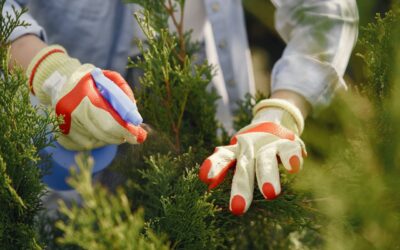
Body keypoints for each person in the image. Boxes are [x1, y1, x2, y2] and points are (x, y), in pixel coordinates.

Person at [4, 0, 359, 215]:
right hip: (54, 133)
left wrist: (281, 111)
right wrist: (44, 68)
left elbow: (325, 11)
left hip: (207, 107)